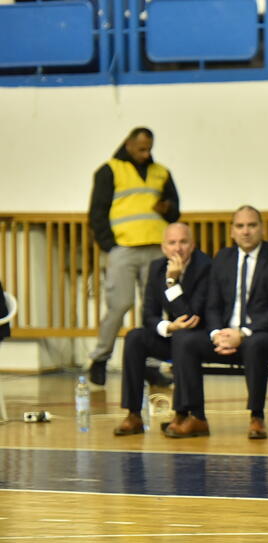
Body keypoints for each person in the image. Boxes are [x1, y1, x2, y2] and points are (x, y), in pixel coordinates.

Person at [165, 206, 268, 440]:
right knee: (184, 340)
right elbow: (212, 305)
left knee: (255, 344)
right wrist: (217, 332)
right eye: (240, 226)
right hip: (227, 336)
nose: (246, 231)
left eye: (251, 225)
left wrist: (243, 333)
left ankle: (257, 417)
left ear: (262, 229)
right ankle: (196, 417)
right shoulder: (223, 258)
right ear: (232, 231)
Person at [87, 127, 180, 386]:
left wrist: (168, 208)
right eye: (141, 148)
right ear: (128, 144)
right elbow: (97, 212)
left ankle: (151, 363)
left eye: (149, 148)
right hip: (124, 249)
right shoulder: (110, 170)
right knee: (119, 304)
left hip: (154, 249)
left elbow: (175, 211)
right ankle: (100, 358)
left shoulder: (161, 172)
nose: (146, 153)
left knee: (154, 308)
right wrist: (110, 246)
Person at [112, 222, 211, 436]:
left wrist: (172, 282)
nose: (178, 248)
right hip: (174, 335)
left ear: (192, 245)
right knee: (135, 337)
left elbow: (192, 315)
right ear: (164, 247)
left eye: (183, 242)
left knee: (184, 339)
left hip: (198, 337)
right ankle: (134, 414)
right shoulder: (157, 267)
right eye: (172, 243)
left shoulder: (205, 266)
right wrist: (168, 326)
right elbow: (149, 315)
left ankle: (184, 414)